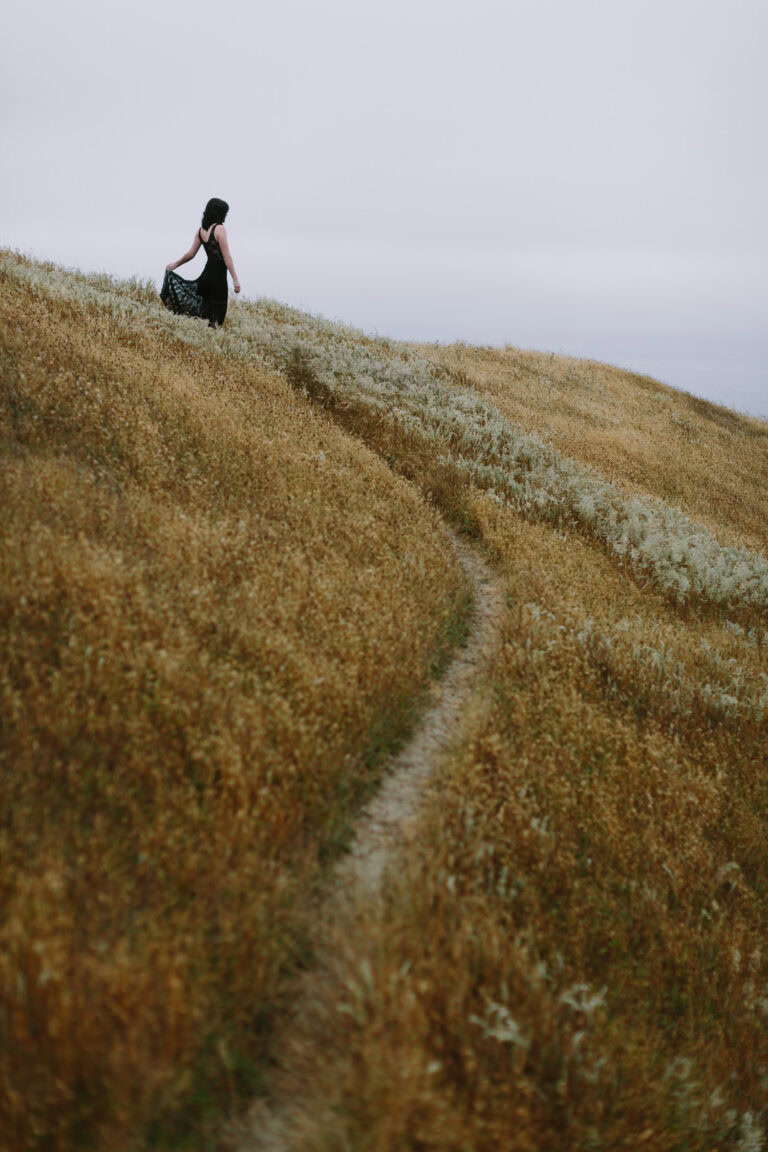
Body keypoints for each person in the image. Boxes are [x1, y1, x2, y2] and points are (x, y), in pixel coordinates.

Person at [161, 197, 241, 327]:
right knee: (216, 318)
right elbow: (227, 257)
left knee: (204, 316)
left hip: (206, 277)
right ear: (219, 213)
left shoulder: (201, 231)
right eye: (225, 212)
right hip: (218, 280)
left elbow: (190, 254)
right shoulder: (220, 229)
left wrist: (176, 264)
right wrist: (235, 280)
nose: (226, 215)